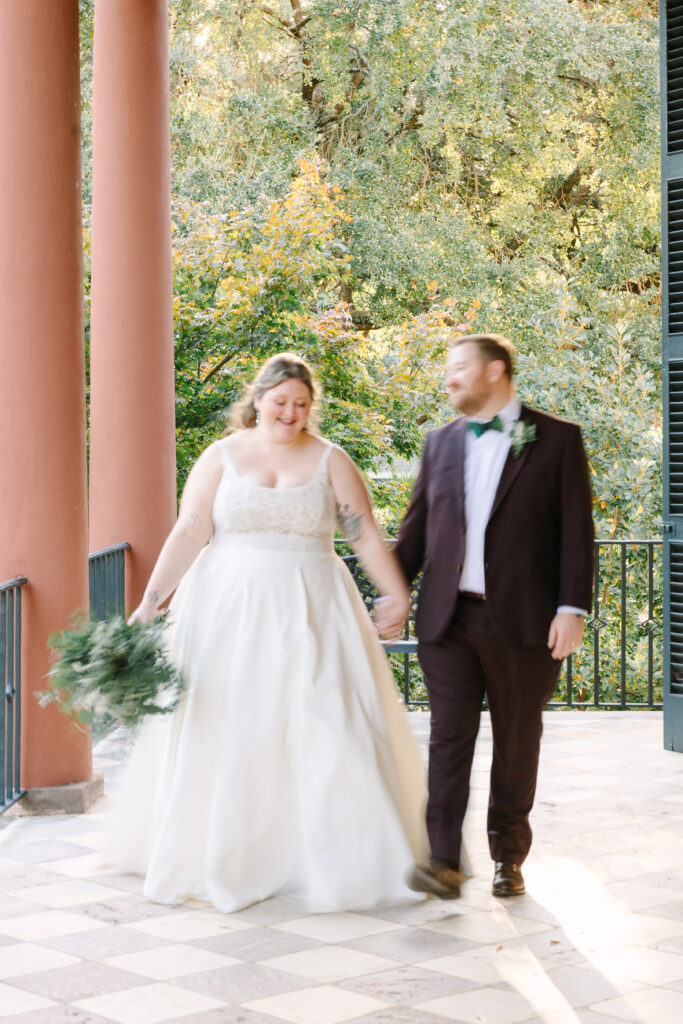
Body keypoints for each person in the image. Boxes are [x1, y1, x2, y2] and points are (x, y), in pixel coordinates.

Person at [110, 352, 430, 913]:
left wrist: (397, 593)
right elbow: (190, 530)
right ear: (257, 400)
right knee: (232, 725)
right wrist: (150, 605)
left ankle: (330, 856)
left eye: (302, 405)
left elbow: (363, 535)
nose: (290, 413)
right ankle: (228, 850)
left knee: (328, 724)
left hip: (314, 610)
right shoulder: (221, 455)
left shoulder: (332, 460)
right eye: (280, 402)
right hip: (226, 611)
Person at [395, 334, 594, 899]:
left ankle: (509, 857)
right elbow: (413, 537)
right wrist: (386, 595)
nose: (449, 378)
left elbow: (577, 535)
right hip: (448, 620)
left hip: (526, 622)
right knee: (448, 739)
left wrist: (571, 607)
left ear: (494, 372)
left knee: (516, 739)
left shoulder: (555, 439)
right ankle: (441, 862)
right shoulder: (439, 444)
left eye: (459, 368)